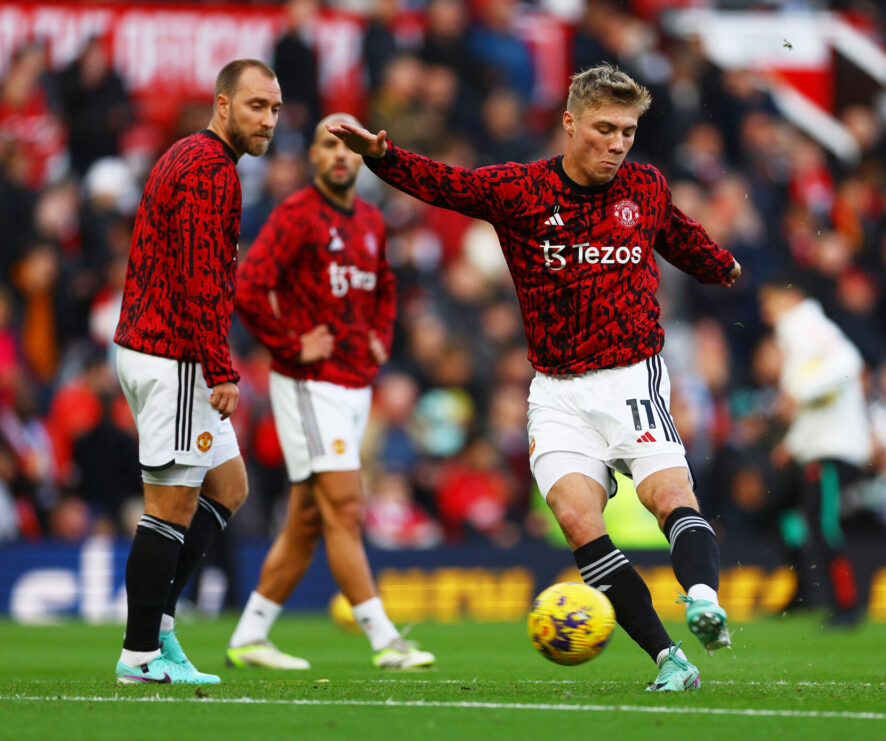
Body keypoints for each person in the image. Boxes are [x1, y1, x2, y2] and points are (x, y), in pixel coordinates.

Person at [329, 63, 740, 691]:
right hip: (555, 393)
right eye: (605, 128)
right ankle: (669, 660)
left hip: (631, 380)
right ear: (570, 124)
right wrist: (383, 159)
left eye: (628, 131)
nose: (617, 143)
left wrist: (724, 267)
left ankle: (704, 599)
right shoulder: (522, 191)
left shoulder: (645, 186)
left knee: (669, 498)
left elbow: (680, 238)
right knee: (579, 521)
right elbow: (448, 184)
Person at [225, 114, 434, 671]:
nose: (340, 156)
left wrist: (380, 337)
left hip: (353, 383)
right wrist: (290, 344)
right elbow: (248, 284)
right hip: (308, 385)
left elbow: (385, 286)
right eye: (327, 146)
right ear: (313, 158)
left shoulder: (370, 219)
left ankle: (250, 636)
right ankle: (385, 639)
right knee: (344, 506)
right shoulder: (297, 214)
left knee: (308, 521)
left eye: (348, 147)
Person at [112, 59, 282, 684]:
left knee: (229, 484)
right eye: (256, 106)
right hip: (174, 357)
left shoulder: (188, 154)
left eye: (274, 109)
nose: (267, 120)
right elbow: (199, 279)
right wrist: (220, 367)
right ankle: (141, 653)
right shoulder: (212, 172)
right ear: (222, 104)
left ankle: (158, 625)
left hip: (148, 346)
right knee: (169, 507)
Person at [757, 276, 871, 624]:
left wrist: (797, 391)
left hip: (832, 449)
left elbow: (848, 363)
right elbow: (819, 401)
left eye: (770, 303)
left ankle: (847, 605)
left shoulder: (805, 324)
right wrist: (792, 444)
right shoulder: (798, 332)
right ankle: (804, 589)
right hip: (814, 446)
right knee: (782, 509)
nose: (765, 313)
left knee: (823, 524)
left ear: (789, 298)